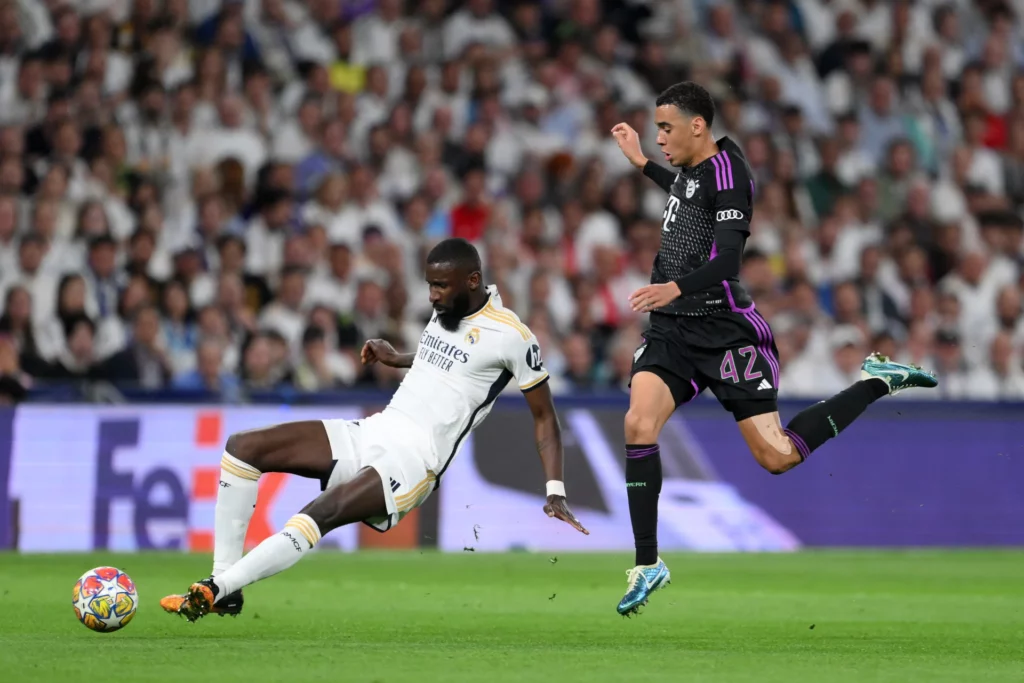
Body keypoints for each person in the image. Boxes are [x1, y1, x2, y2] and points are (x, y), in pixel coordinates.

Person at [609, 82, 937, 616]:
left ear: (698, 126)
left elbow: (729, 260)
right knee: (638, 425)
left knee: (777, 456)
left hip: (726, 333)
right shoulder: (692, 171)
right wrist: (643, 163)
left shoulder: (730, 173)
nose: (659, 136)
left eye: (665, 127)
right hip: (672, 330)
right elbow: (686, 198)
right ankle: (649, 563)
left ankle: (878, 379)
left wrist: (674, 286)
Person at [161, 238, 588, 621]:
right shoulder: (446, 313)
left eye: (441, 286)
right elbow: (440, 361)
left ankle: (216, 590)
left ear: (473, 280)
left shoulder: (512, 336)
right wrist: (394, 356)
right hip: (375, 429)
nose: (433, 295)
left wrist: (555, 489)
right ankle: (223, 584)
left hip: (415, 459)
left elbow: (545, 416)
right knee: (243, 447)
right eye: (429, 285)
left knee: (320, 512)